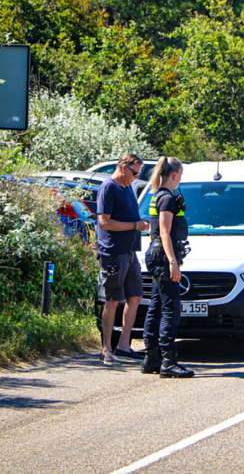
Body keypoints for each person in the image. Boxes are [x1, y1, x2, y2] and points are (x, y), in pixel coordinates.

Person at [142, 156, 194, 378]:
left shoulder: (156, 196)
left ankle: (151, 358)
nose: (180, 179)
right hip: (164, 257)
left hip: (156, 255)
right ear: (174, 174)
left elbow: (153, 231)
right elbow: (164, 232)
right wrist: (173, 261)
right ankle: (168, 361)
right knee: (170, 308)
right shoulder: (167, 199)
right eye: (180, 175)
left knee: (156, 306)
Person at [95, 153, 149, 366]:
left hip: (130, 251)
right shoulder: (108, 187)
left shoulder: (127, 187)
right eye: (135, 173)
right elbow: (104, 222)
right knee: (113, 299)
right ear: (123, 167)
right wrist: (135, 226)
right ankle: (106, 349)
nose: (136, 177)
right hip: (114, 252)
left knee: (135, 296)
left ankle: (124, 345)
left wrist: (141, 224)